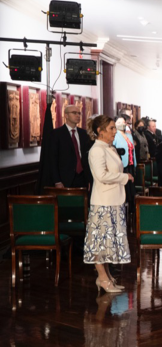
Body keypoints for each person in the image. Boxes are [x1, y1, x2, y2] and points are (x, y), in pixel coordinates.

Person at [83, 115, 133, 293]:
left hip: (113, 202)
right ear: (100, 131)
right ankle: (102, 278)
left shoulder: (107, 147)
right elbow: (101, 176)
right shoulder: (97, 150)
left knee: (107, 242)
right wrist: (124, 177)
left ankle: (108, 276)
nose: (115, 131)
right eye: (111, 128)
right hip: (103, 203)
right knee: (99, 242)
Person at [51, 105, 93, 188]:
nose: (77, 115)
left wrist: (89, 179)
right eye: (74, 113)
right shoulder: (57, 134)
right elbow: (53, 159)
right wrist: (57, 181)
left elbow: (87, 157)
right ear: (66, 115)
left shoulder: (84, 133)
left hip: (83, 177)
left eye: (79, 113)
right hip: (65, 178)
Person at [113, 115, 137, 207]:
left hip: (130, 164)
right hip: (122, 165)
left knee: (131, 189)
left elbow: (132, 149)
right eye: (119, 122)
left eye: (123, 122)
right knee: (125, 189)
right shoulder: (115, 135)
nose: (122, 124)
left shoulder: (128, 135)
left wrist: (135, 162)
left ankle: (131, 209)